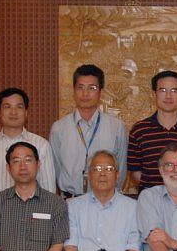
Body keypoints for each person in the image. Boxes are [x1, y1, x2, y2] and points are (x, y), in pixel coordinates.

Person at [50, 64, 128, 197]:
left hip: (105, 201)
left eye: (92, 88)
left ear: (101, 92)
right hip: (71, 201)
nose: (85, 94)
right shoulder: (59, 128)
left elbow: (121, 168)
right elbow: (56, 169)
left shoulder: (116, 127)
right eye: (80, 87)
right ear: (74, 91)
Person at [128, 70, 177, 192]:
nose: (168, 96)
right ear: (154, 94)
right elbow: (135, 171)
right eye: (163, 90)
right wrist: (154, 195)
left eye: (174, 91)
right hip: (151, 203)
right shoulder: (139, 130)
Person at [0, 87, 55, 200]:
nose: (13, 112)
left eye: (19, 107)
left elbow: (48, 190)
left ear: (26, 112)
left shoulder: (41, 145)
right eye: (7, 107)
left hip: (32, 215)